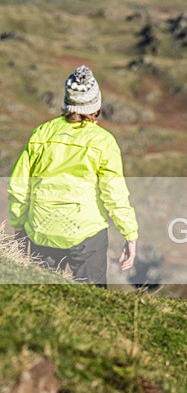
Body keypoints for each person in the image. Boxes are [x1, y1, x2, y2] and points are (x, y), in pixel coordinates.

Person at [8, 65, 138, 286]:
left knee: (42, 296)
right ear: (96, 106)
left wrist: (19, 228)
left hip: (41, 230)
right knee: (93, 302)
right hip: (87, 234)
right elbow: (114, 194)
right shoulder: (103, 141)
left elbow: (19, 186)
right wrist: (130, 234)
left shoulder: (42, 133)